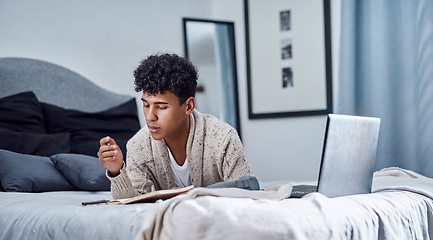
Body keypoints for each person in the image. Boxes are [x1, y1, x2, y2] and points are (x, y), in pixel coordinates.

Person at [97, 53, 252, 199]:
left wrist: (188, 195)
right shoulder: (138, 146)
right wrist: (116, 171)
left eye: (161, 107)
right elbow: (132, 203)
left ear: (189, 106)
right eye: (146, 105)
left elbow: (248, 193)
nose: (150, 117)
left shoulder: (223, 138)